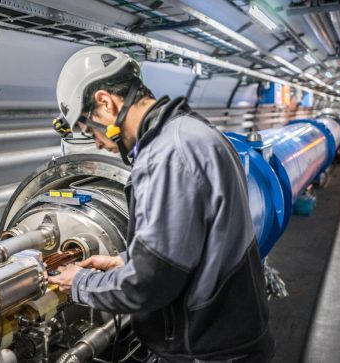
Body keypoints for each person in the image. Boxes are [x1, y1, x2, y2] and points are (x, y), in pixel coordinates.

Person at [48, 46, 274, 362]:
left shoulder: (166, 156)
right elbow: (190, 244)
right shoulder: (189, 131)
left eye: (88, 128)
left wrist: (79, 283)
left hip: (208, 350)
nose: (97, 143)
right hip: (228, 338)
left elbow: (149, 285)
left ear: (105, 102)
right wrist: (125, 261)